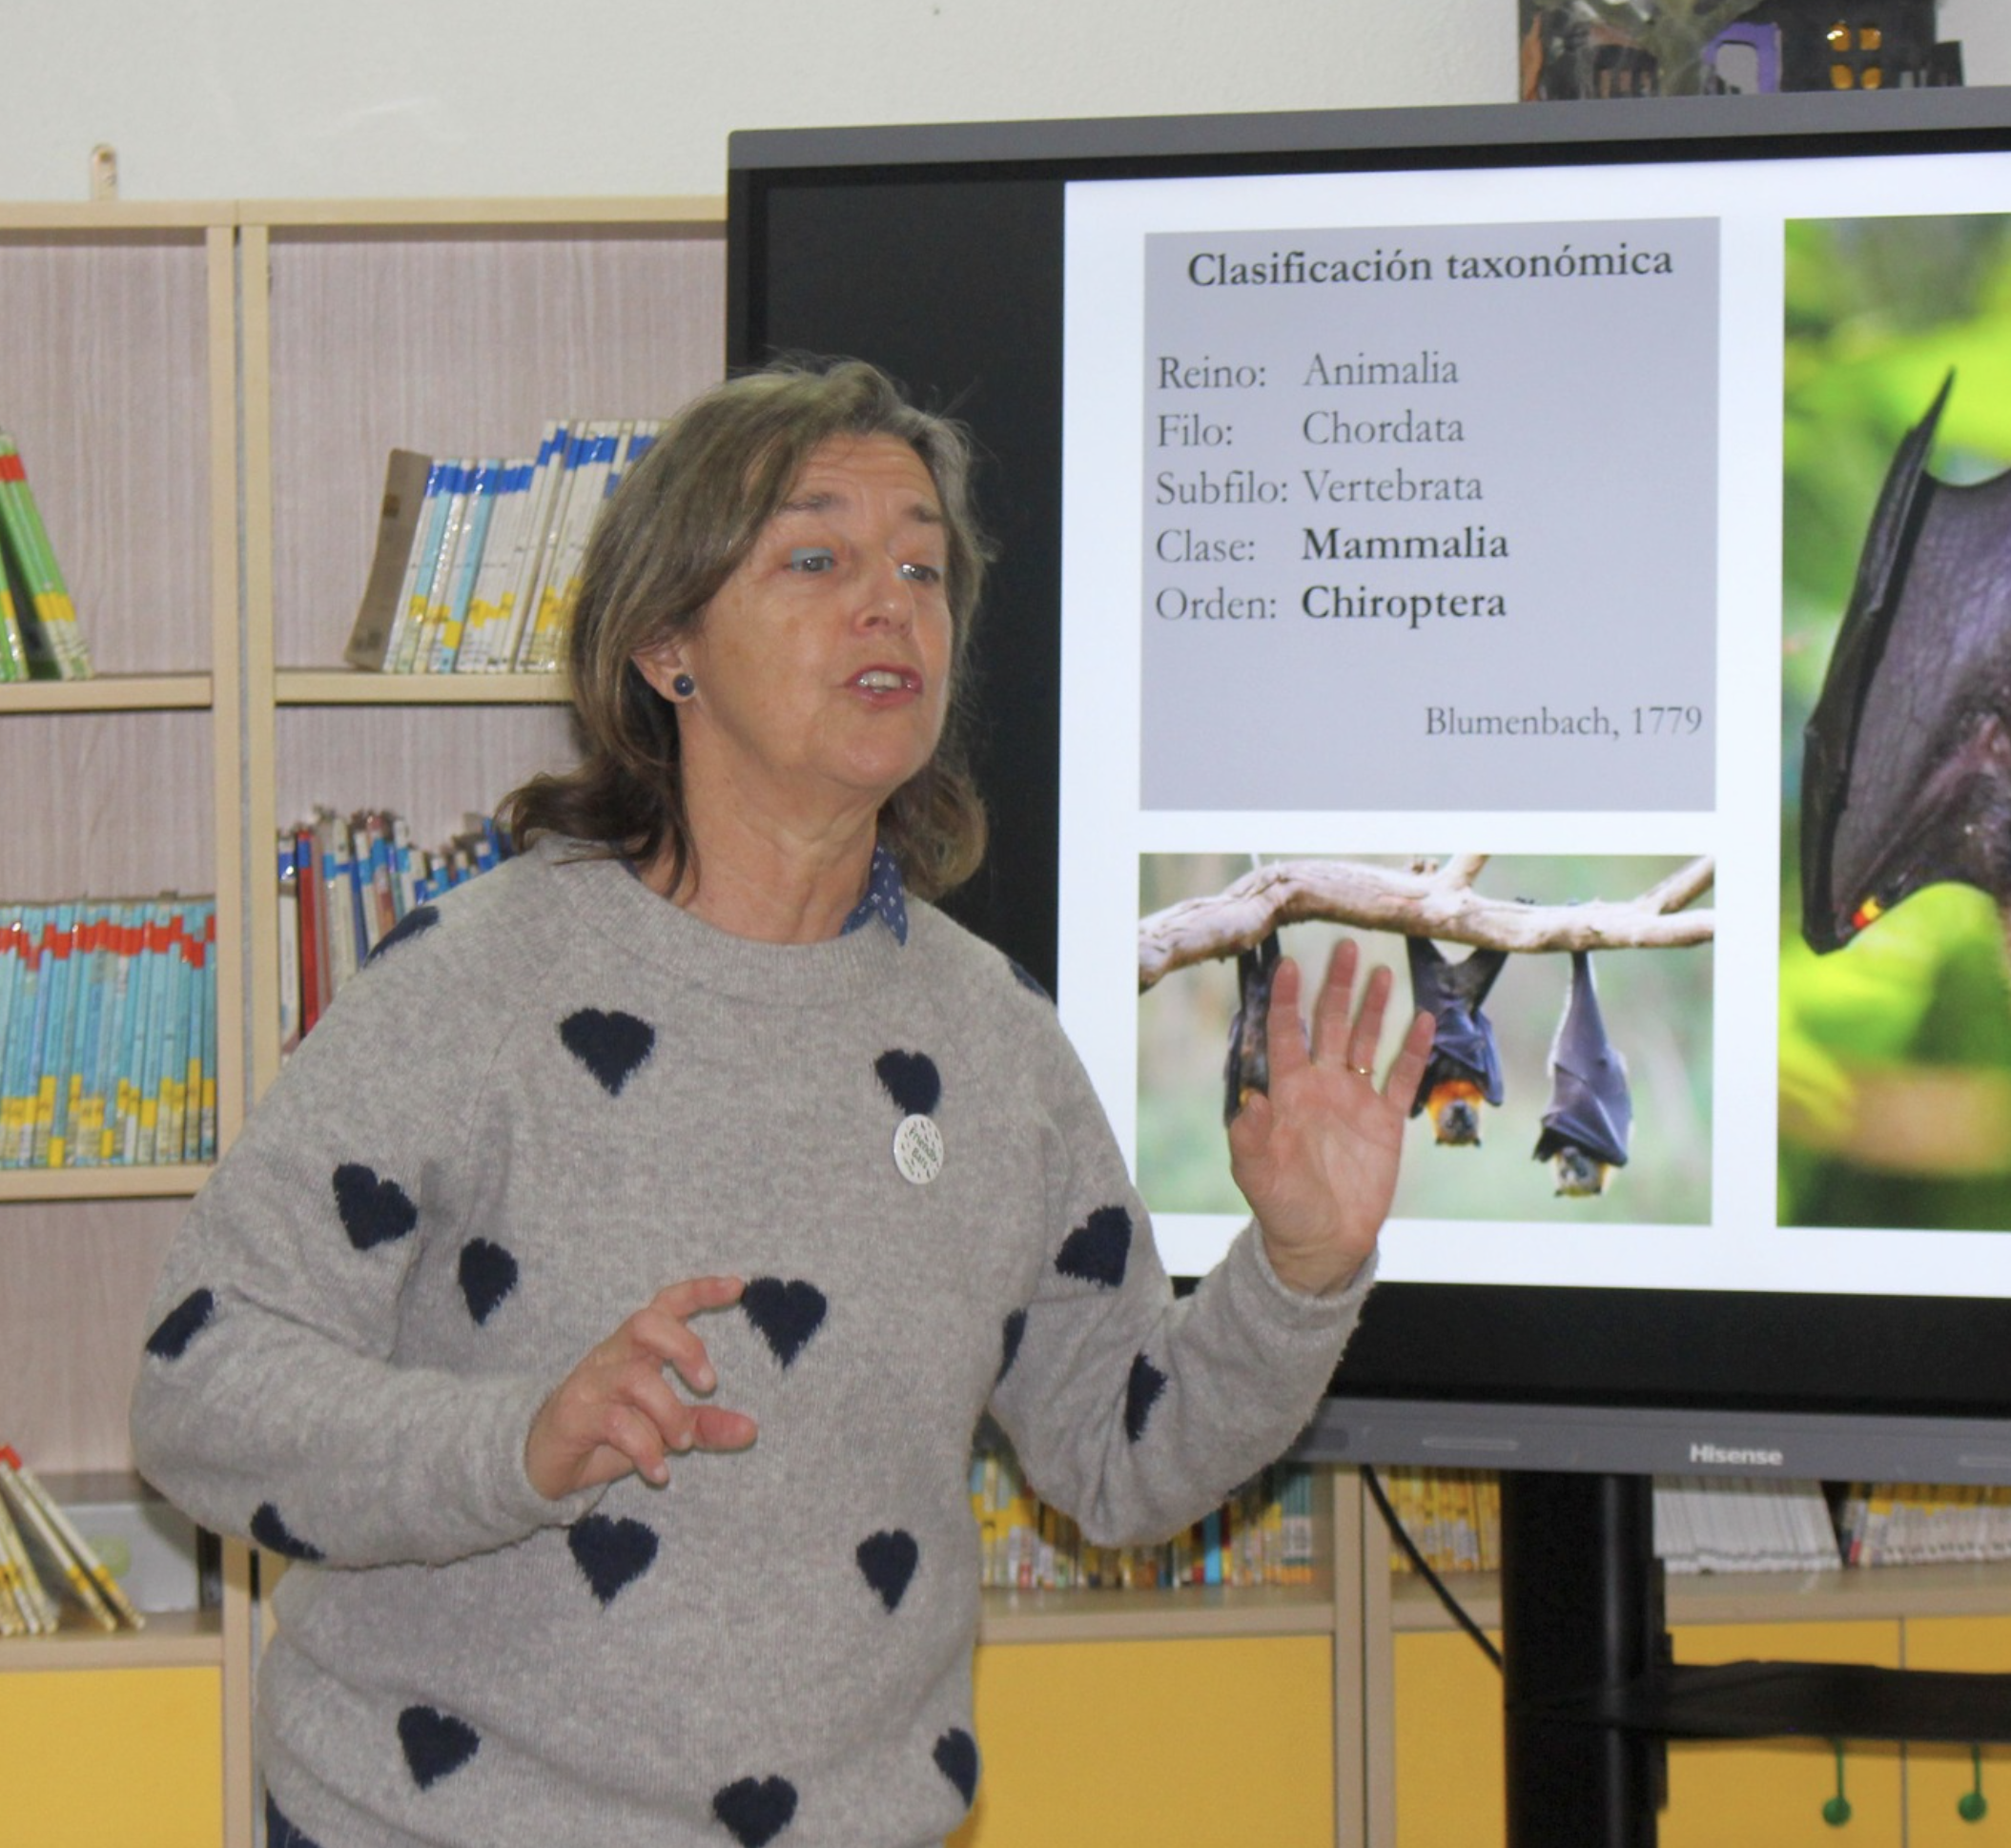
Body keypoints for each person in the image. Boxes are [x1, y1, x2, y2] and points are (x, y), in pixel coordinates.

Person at [131, 358, 1431, 1848]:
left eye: (924, 571)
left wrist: (1300, 1272)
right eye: (816, 557)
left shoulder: (992, 1041)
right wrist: (518, 1442)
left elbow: (1123, 1456)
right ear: (667, 645)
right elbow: (199, 1388)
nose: (892, 605)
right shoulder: (473, 983)